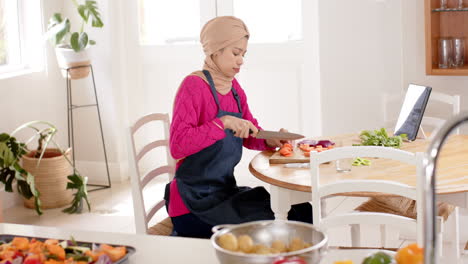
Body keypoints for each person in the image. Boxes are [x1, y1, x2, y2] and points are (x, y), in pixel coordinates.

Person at [165, 16, 312, 238]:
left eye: (243, 54)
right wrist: (222, 123)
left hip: (224, 193)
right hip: (192, 204)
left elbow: (250, 133)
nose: (241, 60)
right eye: (236, 53)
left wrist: (268, 140)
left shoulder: (235, 90)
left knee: (302, 211)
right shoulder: (193, 86)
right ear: (215, 49)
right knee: (285, 223)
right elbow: (177, 146)